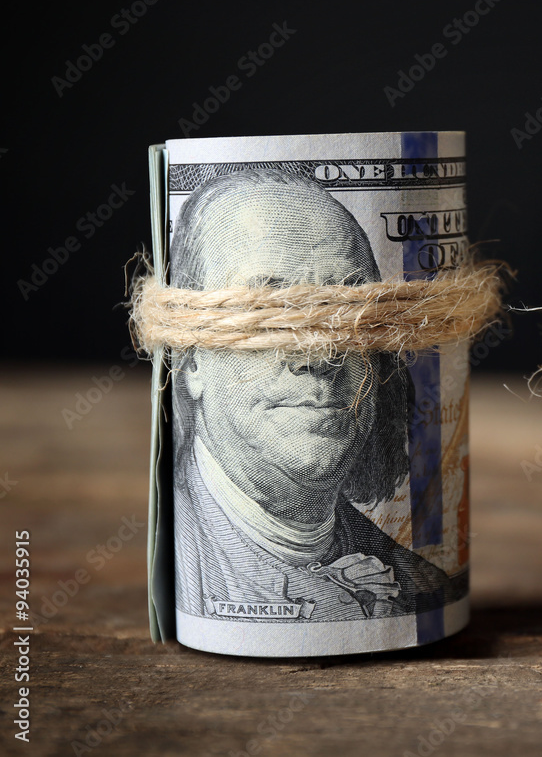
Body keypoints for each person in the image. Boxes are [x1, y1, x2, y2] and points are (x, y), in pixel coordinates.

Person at [170, 168, 453, 623]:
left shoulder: (425, 587)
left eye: (348, 316)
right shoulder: (183, 569)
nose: (319, 357)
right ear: (192, 359)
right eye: (269, 316)